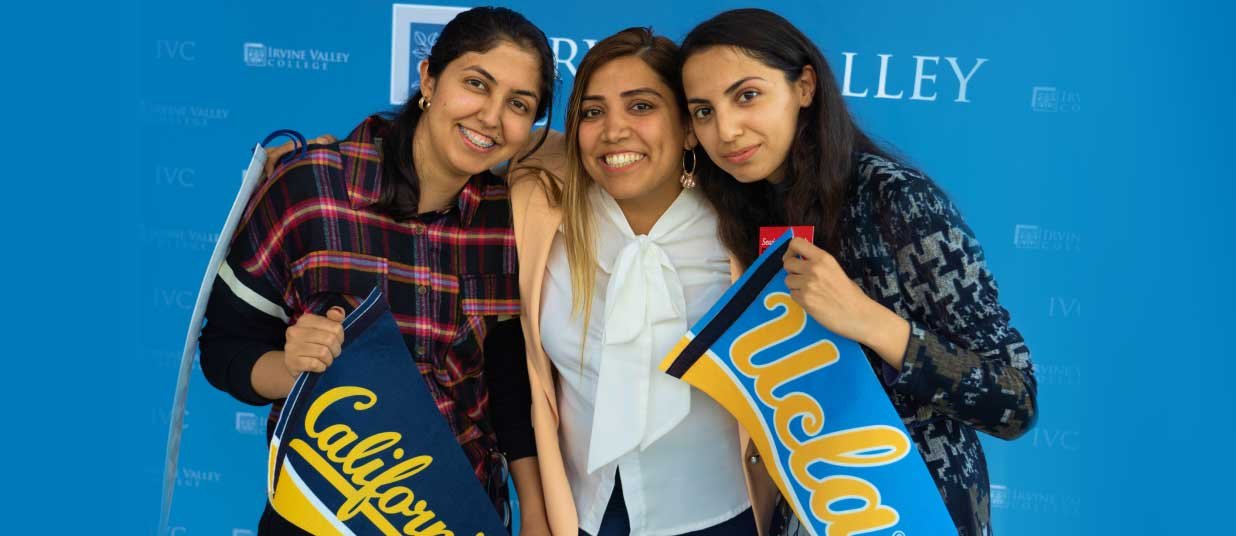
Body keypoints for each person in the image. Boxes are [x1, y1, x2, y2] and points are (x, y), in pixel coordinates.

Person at [677, 8, 1038, 535]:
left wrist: (868, 320)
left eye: (747, 95)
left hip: (912, 509)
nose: (726, 129)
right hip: (813, 503)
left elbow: (1015, 401)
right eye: (703, 111)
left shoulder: (896, 200)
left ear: (804, 87)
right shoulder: (745, 207)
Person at [197, 6, 555, 534]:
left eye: (518, 105)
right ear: (429, 77)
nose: (491, 117)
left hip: (459, 515)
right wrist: (289, 366)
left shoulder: (511, 216)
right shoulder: (310, 188)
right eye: (476, 83)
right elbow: (224, 348)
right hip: (324, 512)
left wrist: (537, 516)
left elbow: (505, 383)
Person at [506, 28, 768, 536]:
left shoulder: (746, 230)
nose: (614, 130)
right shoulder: (537, 201)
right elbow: (448, 159)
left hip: (722, 513)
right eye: (593, 111)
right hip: (582, 513)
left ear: (690, 126)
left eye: (641, 106)